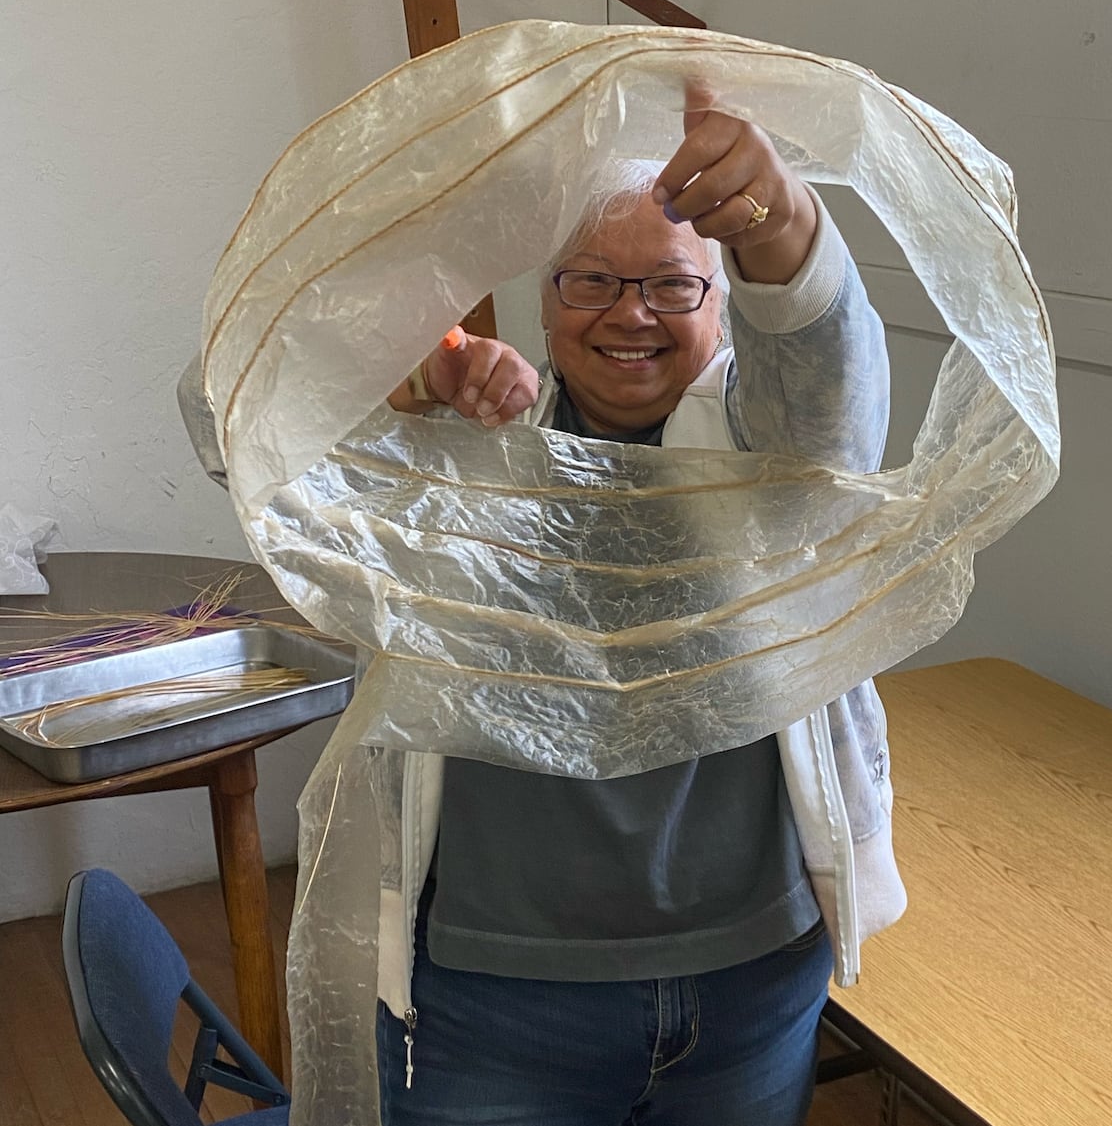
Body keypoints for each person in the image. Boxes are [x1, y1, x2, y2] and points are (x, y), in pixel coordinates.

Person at [179, 105, 903, 1126]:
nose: (630, 313)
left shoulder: (764, 452)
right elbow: (226, 409)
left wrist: (779, 220)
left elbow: (832, 399)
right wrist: (408, 374)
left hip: (746, 979)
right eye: (592, 281)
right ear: (543, 296)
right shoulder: (473, 446)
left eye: (669, 282)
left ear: (724, 301)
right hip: (491, 1000)